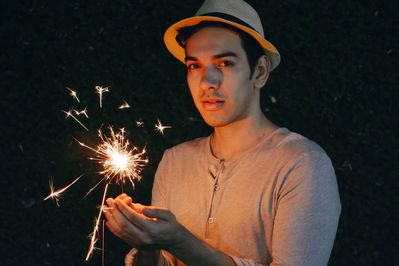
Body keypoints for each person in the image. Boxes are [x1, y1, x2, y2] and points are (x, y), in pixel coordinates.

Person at [104, 0, 341, 265]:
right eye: (195, 66)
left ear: (260, 72)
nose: (207, 82)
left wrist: (179, 240)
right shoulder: (175, 161)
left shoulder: (301, 164)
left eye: (225, 63)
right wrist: (147, 244)